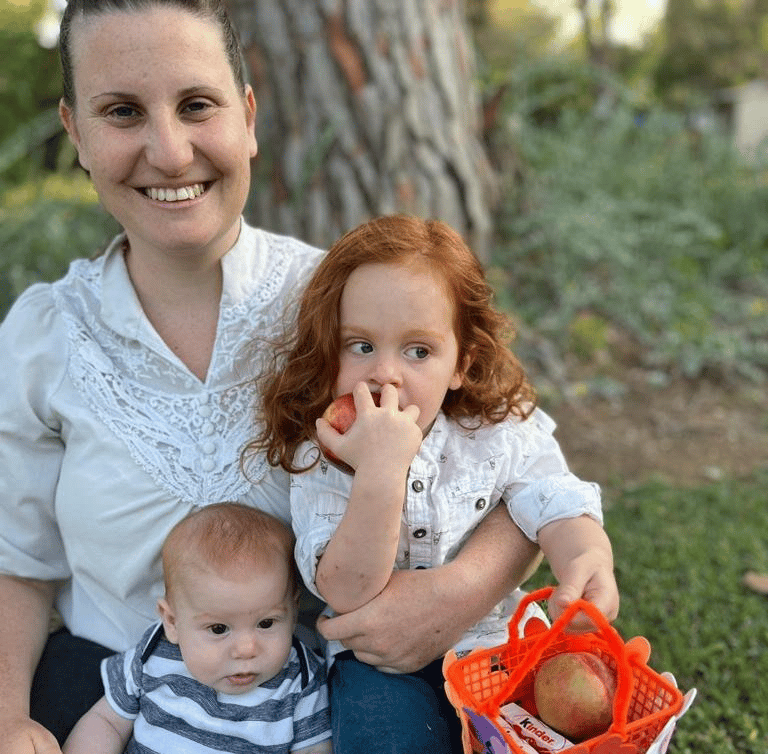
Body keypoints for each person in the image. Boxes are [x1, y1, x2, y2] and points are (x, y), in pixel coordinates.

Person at [0, 1, 542, 752]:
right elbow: (17, 564)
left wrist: (458, 590)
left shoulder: (348, 309)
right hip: (120, 689)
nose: (169, 149)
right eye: (122, 112)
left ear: (248, 117)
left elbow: (521, 471)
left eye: (197, 106)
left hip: (325, 696)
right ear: (76, 134)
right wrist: (8, 717)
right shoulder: (43, 335)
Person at [252, 215, 620, 753]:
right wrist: (379, 470)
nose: (386, 374)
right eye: (360, 346)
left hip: (500, 646)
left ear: (460, 365)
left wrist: (586, 551)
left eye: (418, 351)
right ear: (329, 351)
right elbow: (346, 590)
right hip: (378, 663)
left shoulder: (495, 433)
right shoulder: (325, 453)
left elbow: (552, 497)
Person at [62, 503, 332, 754]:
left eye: (266, 623)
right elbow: (105, 722)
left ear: (293, 611)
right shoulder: (153, 655)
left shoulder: (301, 682)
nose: (247, 649)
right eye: (218, 629)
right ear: (172, 622)